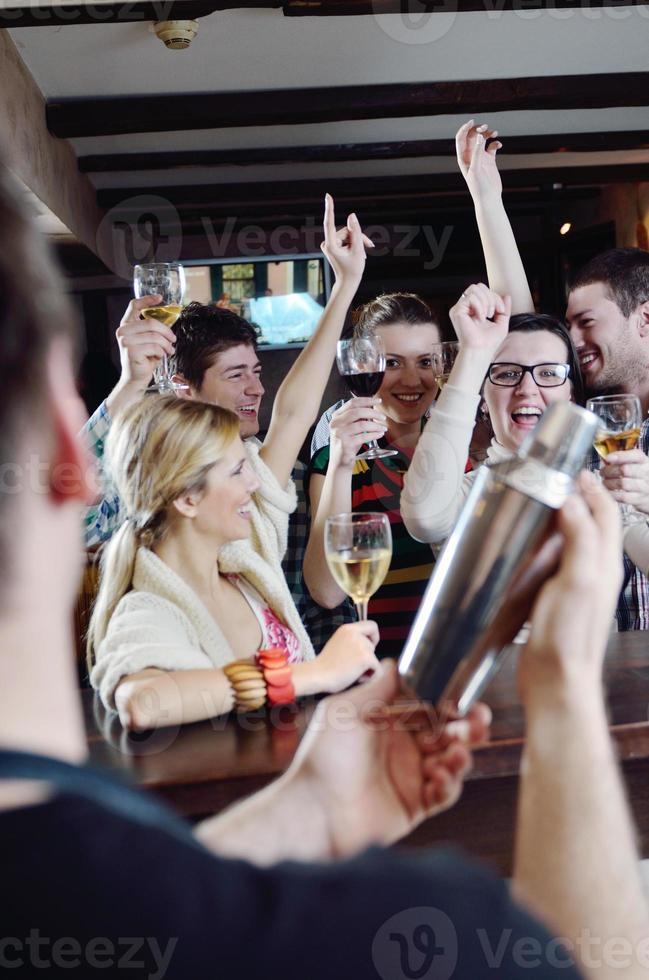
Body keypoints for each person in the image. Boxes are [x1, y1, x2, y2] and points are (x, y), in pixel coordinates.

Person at [2, 150, 649, 980]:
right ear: (73, 449)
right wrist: (558, 689)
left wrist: (301, 810)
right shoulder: (414, 924)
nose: (258, 474)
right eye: (240, 465)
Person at [83, 194, 359, 648]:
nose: (257, 389)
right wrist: (129, 384)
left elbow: (293, 413)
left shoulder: (252, 471)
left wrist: (345, 283)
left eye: (257, 371)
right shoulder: (149, 478)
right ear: (182, 385)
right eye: (236, 375)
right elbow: (70, 517)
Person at [456, 118, 649, 629]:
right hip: (595, 666)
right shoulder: (577, 412)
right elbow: (519, 325)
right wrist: (485, 197)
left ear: (644, 319)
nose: (574, 341)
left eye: (586, 324)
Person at [88, 396, 380, 730]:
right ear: (187, 498)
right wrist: (317, 672)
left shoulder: (247, 569)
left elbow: (295, 410)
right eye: (238, 470)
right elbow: (143, 703)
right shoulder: (148, 608)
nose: (255, 482)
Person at [304, 293, 443, 659]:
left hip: (462, 666)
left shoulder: (469, 449)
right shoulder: (335, 459)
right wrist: (342, 462)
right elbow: (327, 591)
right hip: (377, 673)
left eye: (425, 361)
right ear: (365, 365)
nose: (413, 379)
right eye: (393, 363)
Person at [401, 286, 583, 545]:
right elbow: (425, 521)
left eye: (548, 373)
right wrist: (474, 351)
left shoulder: (602, 484)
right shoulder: (471, 494)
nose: (527, 390)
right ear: (483, 399)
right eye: (507, 373)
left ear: (571, 394)